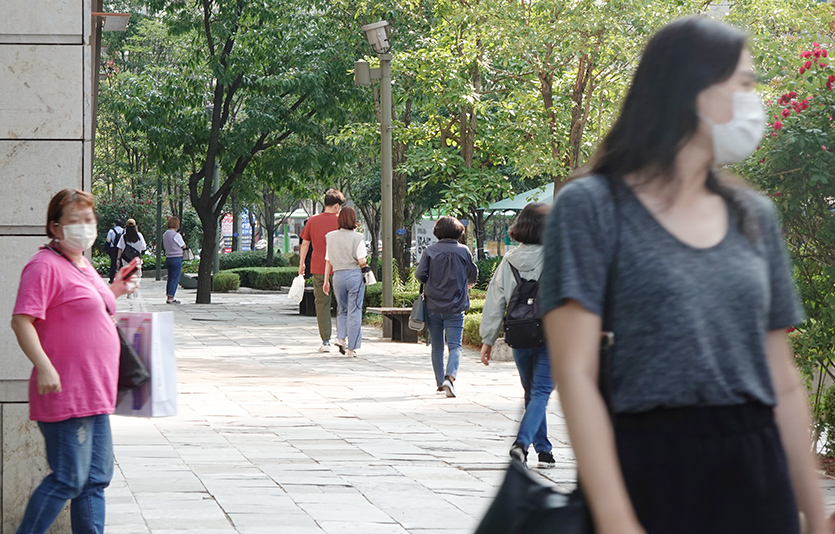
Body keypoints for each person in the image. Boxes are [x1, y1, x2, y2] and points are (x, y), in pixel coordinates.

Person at [540, 17, 828, 534]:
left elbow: (782, 381)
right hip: (651, 465)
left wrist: (815, 510)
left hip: (755, 468)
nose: (752, 97)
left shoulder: (753, 215)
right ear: (694, 88)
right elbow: (575, 374)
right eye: (743, 82)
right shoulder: (593, 206)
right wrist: (616, 520)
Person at [11, 189, 138, 534]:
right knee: (69, 479)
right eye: (75, 220)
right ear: (54, 227)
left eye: (89, 219)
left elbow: (91, 309)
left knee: (96, 480)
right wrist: (45, 366)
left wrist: (116, 289)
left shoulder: (82, 264)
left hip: (96, 391)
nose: (85, 226)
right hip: (66, 392)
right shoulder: (43, 266)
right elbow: (22, 320)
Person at [479, 202, 554, 468]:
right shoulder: (558, 257)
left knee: (532, 392)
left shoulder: (508, 261)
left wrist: (487, 339)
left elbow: (495, 300)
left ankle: (544, 451)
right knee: (541, 391)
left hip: (520, 334)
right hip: (551, 336)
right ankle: (522, 444)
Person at [416, 216, 478, 398]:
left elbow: (420, 275)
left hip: (433, 305)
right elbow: (473, 274)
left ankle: (439, 383)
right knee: (455, 346)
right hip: (456, 305)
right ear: (458, 232)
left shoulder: (430, 251)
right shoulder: (464, 251)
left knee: (437, 347)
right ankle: (449, 378)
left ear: (438, 232)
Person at [298, 189, 345, 352]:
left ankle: (326, 341)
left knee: (322, 305)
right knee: (343, 305)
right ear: (337, 206)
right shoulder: (342, 221)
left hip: (319, 269)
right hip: (341, 268)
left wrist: (302, 263)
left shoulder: (312, 220)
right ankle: (343, 338)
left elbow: (305, 243)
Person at [322, 207, 368, 357]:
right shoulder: (358, 238)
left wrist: (325, 281)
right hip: (354, 276)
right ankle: (351, 348)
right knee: (354, 311)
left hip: (338, 276)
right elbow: (362, 260)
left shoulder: (330, 236)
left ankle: (341, 338)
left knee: (342, 309)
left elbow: (328, 260)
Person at [163, 216, 187, 305]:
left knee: (170, 278)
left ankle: (169, 295)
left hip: (168, 257)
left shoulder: (165, 234)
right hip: (176, 258)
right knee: (175, 278)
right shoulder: (176, 235)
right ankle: (171, 297)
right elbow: (183, 246)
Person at [105, 218, 123, 283]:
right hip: (121, 249)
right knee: (121, 264)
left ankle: (112, 279)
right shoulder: (123, 231)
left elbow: (108, 240)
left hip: (113, 249)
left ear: (115, 224)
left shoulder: (111, 231)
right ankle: (121, 279)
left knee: (113, 264)